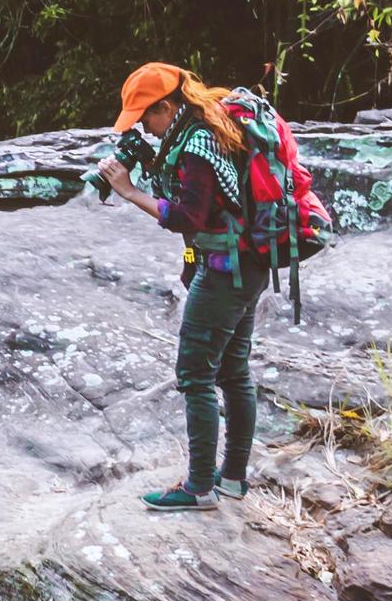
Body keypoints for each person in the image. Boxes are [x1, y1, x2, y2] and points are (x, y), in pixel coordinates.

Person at [94, 62, 268, 512]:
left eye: (146, 118)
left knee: (195, 374)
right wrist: (151, 161)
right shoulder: (211, 125)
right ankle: (231, 479)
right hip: (247, 264)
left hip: (224, 269)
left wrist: (130, 191)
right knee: (233, 373)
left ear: (167, 106)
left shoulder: (197, 144)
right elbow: (203, 195)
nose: (143, 128)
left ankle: (199, 488)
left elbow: (187, 216)